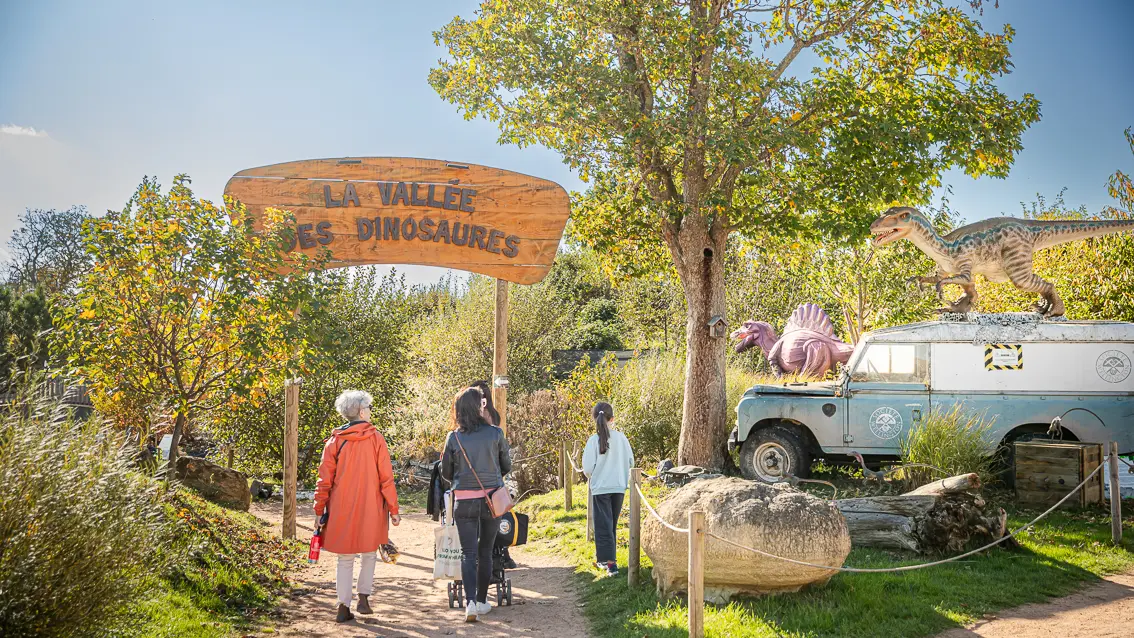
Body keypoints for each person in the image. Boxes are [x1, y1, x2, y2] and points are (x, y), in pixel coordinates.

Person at [314, 390, 401, 624]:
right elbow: (386, 477)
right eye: (369, 408)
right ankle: (364, 599)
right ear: (361, 411)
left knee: (345, 558)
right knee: (368, 553)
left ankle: (343, 605)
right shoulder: (376, 438)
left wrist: (319, 509)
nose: (371, 411)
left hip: (341, 506)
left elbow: (324, 481)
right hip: (372, 506)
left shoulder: (334, 441)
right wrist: (393, 509)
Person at [440, 386, 512, 622]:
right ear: (477, 407)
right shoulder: (494, 433)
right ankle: (482, 601)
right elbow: (506, 465)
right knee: (486, 550)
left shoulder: (454, 437)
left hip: (464, 503)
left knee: (468, 553)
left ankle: (469, 602)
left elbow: (447, 473)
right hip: (492, 500)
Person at [582, 401, 634, 576]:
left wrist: (595, 477)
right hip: (619, 486)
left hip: (601, 487)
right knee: (610, 525)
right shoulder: (621, 438)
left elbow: (587, 469)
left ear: (594, 418)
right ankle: (603, 560)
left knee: (603, 526)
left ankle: (611, 565)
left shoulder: (593, 441)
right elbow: (631, 462)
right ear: (613, 418)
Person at [470, 379, 517, 569]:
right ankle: (501, 552)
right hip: (494, 474)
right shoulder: (495, 416)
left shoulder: (476, 417)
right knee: (497, 513)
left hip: (476, 476)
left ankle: (487, 555)